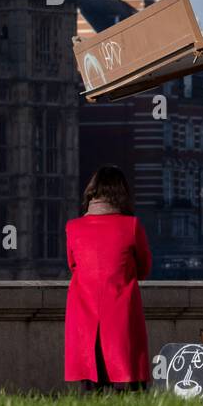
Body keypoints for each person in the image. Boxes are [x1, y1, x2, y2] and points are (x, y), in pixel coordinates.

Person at [64, 165, 152, 392]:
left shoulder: (73, 228)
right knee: (128, 375)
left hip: (83, 312)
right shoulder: (131, 226)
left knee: (91, 384)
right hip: (122, 312)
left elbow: (73, 266)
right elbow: (144, 268)